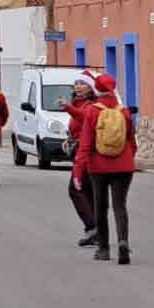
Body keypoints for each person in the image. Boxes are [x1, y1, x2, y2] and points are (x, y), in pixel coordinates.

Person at [77, 72, 137, 264]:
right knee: (120, 206)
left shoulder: (92, 111)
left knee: (101, 207)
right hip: (124, 166)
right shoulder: (124, 111)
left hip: (99, 167)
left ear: (97, 89)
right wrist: (129, 158)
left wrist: (78, 171)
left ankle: (103, 249)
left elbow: (85, 144)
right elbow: (131, 140)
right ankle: (123, 242)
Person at [63, 72, 99, 245]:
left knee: (75, 190)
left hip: (87, 153)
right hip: (79, 150)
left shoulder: (90, 105)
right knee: (87, 192)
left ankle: (92, 227)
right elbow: (77, 128)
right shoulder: (78, 104)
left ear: (91, 88)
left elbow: (84, 119)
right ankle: (96, 231)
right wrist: (68, 140)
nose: (78, 86)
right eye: (76, 83)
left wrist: (68, 108)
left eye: (82, 83)